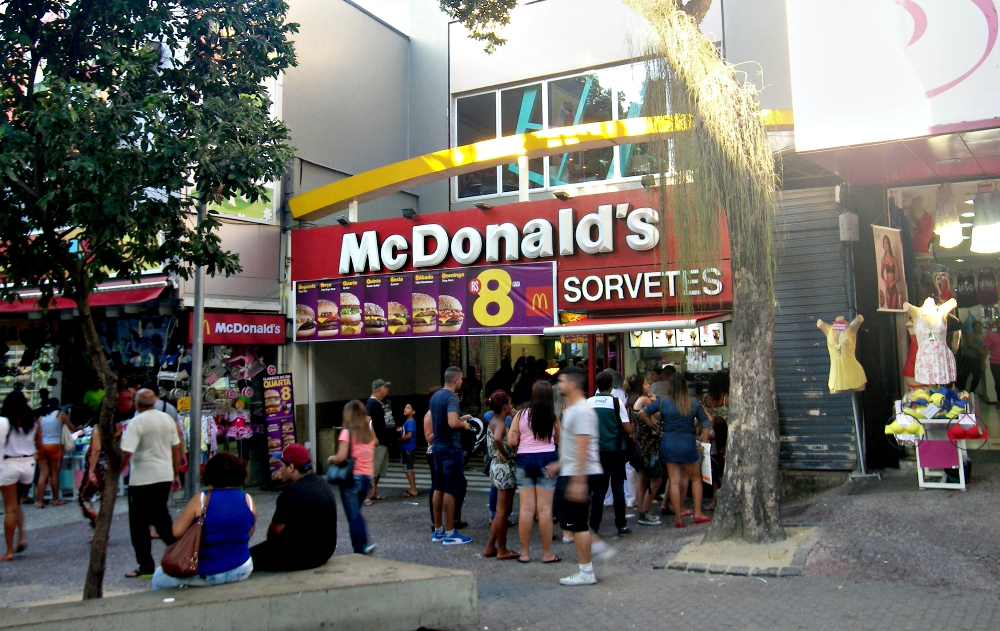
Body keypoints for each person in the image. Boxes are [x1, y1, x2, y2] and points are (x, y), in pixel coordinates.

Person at [151, 453, 257, 589]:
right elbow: (249, 532)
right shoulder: (248, 500)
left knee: (158, 578)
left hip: (207, 571)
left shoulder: (201, 499)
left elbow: (177, 532)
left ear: (209, 474)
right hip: (241, 568)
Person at [550, 366, 610, 586]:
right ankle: (596, 548)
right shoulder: (575, 409)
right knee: (573, 522)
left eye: (562, 381)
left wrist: (578, 481)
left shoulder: (581, 411)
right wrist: (559, 464)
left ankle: (586, 571)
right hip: (575, 471)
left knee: (577, 524)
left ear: (573, 384)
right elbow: (574, 446)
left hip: (580, 473)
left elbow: (583, 446)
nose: (558, 385)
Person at [120, 389, 182, 578]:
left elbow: (127, 452)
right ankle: (179, 551)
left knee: (139, 524)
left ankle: (146, 564)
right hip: (163, 475)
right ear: (154, 402)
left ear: (136, 404)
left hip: (142, 478)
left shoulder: (136, 422)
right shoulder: (166, 419)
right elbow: (176, 448)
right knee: (161, 516)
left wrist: (116, 472)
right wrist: (175, 473)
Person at [640, 373, 712, 528]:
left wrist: (656, 430)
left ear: (670, 386)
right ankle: (698, 513)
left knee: (673, 480)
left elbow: (642, 413)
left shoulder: (664, 402)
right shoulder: (693, 403)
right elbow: (706, 423)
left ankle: (678, 518)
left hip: (669, 442)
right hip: (687, 442)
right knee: (695, 479)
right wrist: (703, 443)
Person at [250, 443, 338, 571]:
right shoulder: (322, 484)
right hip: (324, 552)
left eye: (281, 466)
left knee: (244, 560)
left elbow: (274, 533)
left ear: (291, 467)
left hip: (299, 557)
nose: (279, 471)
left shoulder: (291, 494)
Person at [507, 381, 560, 563]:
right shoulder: (552, 417)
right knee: (545, 510)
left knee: (526, 509)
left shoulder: (521, 415)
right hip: (547, 460)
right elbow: (559, 439)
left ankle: (524, 553)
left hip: (524, 460)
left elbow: (511, 441)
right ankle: (547, 554)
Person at [430, 367, 473, 545]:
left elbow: (442, 420)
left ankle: (438, 530)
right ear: (456, 380)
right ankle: (450, 532)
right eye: (461, 379)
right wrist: (464, 425)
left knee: (438, 487)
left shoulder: (435, 397)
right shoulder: (451, 397)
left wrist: (461, 419)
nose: (462, 382)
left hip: (437, 445)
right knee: (451, 489)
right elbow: (452, 422)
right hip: (451, 447)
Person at [330, 400, 377, 555]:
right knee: (357, 513)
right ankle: (365, 543)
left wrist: (332, 459)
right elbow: (376, 442)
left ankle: (360, 548)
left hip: (352, 479)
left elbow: (342, 457)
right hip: (367, 478)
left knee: (353, 516)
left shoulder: (347, 433)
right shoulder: (368, 433)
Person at [588, 371, 631, 536]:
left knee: (599, 489)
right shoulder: (616, 402)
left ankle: (594, 525)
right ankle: (621, 524)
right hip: (616, 450)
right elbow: (627, 428)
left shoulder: (589, 402)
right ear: (611, 385)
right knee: (618, 488)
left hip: (596, 451)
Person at [483, 391, 519, 561]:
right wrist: (503, 451)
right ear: (505, 406)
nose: (511, 407)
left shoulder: (493, 419)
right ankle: (502, 549)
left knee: (500, 511)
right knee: (503, 511)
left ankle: (491, 546)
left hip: (496, 468)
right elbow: (498, 438)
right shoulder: (501, 423)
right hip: (504, 467)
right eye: (510, 404)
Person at [1, 392, 37, 561]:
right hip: (28, 464)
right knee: (16, 504)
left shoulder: (4, 422)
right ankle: (21, 537)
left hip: (9, 464)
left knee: (10, 508)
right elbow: (40, 443)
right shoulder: (33, 422)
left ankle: (9, 551)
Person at [625, 375, 661, 526]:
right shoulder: (645, 400)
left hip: (638, 443)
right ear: (640, 386)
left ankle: (641, 509)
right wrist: (656, 398)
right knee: (657, 478)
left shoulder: (630, 400)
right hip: (648, 444)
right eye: (646, 383)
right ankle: (644, 510)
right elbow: (658, 411)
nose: (648, 385)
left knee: (642, 478)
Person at [79, 417, 122, 529]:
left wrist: (91, 470)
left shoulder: (98, 428)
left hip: (98, 466)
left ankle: (97, 524)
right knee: (105, 498)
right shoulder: (117, 428)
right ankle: (103, 528)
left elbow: (96, 449)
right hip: (109, 465)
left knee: (83, 497)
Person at [34, 398, 77, 508]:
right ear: (57, 405)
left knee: (43, 474)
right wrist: (80, 428)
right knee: (54, 473)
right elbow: (72, 428)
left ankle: (39, 501)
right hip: (54, 446)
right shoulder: (60, 414)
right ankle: (55, 499)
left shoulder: (41, 417)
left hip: (41, 447)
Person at [702, 372, 730, 511]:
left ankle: (714, 502)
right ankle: (721, 502)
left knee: (714, 473)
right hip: (723, 442)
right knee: (722, 473)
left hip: (709, 441)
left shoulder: (705, 398)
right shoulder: (727, 399)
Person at [365, 379, 394, 504]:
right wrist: (373, 437)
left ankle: (373, 492)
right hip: (378, 441)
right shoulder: (371, 403)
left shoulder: (380, 403)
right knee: (373, 469)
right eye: (385, 387)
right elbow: (367, 421)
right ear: (378, 389)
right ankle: (367, 494)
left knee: (379, 470)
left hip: (384, 440)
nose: (387, 389)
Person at [424, 386, 442, 528]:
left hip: (443, 449)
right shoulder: (430, 414)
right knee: (436, 485)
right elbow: (429, 438)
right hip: (433, 451)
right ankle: (434, 519)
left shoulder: (441, 412)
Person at [957, 321, 986, 394]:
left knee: (977, 376)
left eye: (980, 326)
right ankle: (962, 391)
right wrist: (981, 349)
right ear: (973, 327)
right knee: (965, 375)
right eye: (976, 326)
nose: (978, 328)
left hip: (977, 358)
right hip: (969, 357)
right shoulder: (970, 335)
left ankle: (971, 392)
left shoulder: (982, 336)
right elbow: (970, 344)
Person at [399, 403, 418, 497]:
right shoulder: (408, 422)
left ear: (413, 412)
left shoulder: (410, 422)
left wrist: (399, 439)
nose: (405, 409)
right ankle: (412, 488)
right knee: (408, 468)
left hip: (408, 447)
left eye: (408, 408)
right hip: (407, 447)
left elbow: (409, 435)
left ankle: (413, 489)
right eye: (405, 407)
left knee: (408, 468)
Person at [880, 235, 902, 310]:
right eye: (884, 243)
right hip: (888, 288)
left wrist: (893, 283)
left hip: (894, 287)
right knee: (890, 311)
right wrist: (885, 281)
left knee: (894, 309)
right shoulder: (883, 259)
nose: (885, 245)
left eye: (887, 243)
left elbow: (899, 275)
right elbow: (882, 274)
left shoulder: (893, 259)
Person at [985, 323, 1000, 403]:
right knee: (998, 382)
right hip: (995, 362)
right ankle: (999, 400)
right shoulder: (991, 335)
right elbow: (987, 348)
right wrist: (983, 361)